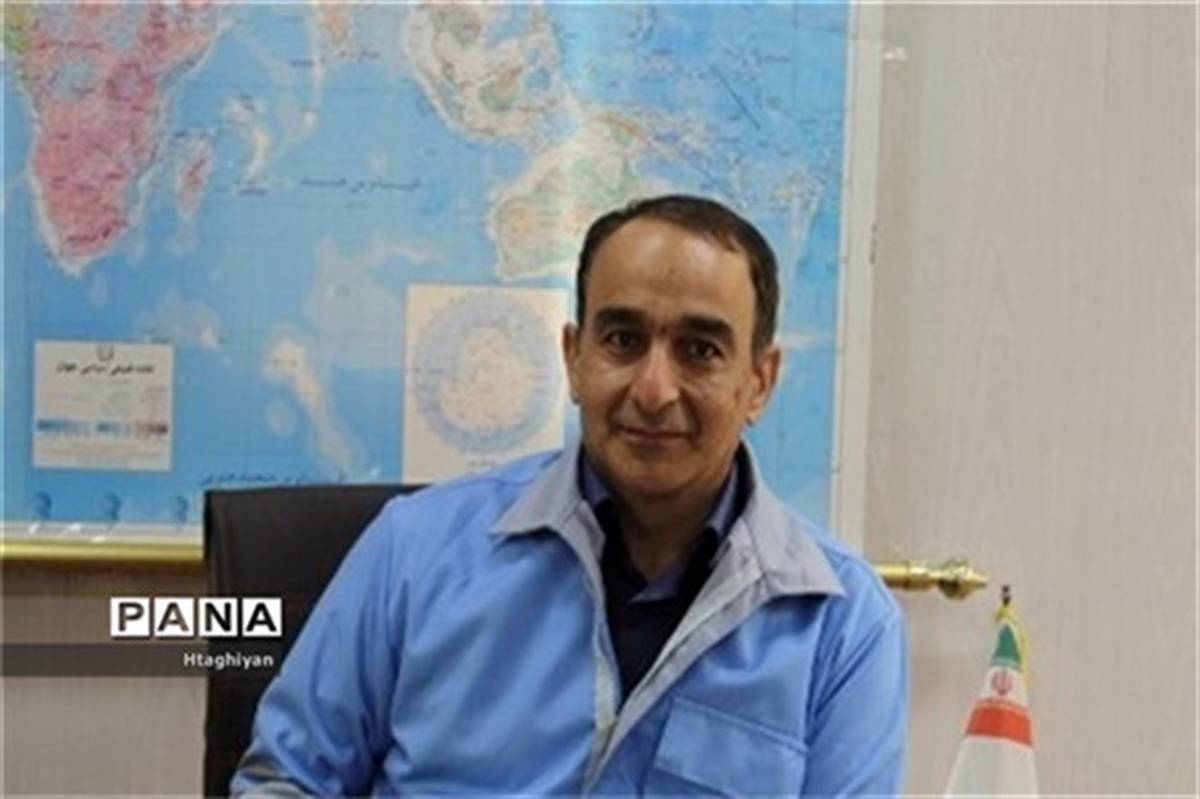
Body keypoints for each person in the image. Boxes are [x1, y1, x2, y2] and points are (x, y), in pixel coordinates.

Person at [232, 195, 909, 797]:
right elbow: (286, 781)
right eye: (622, 340)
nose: (654, 390)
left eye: (700, 350)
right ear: (574, 358)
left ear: (760, 381)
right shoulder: (410, 550)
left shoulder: (845, 628)